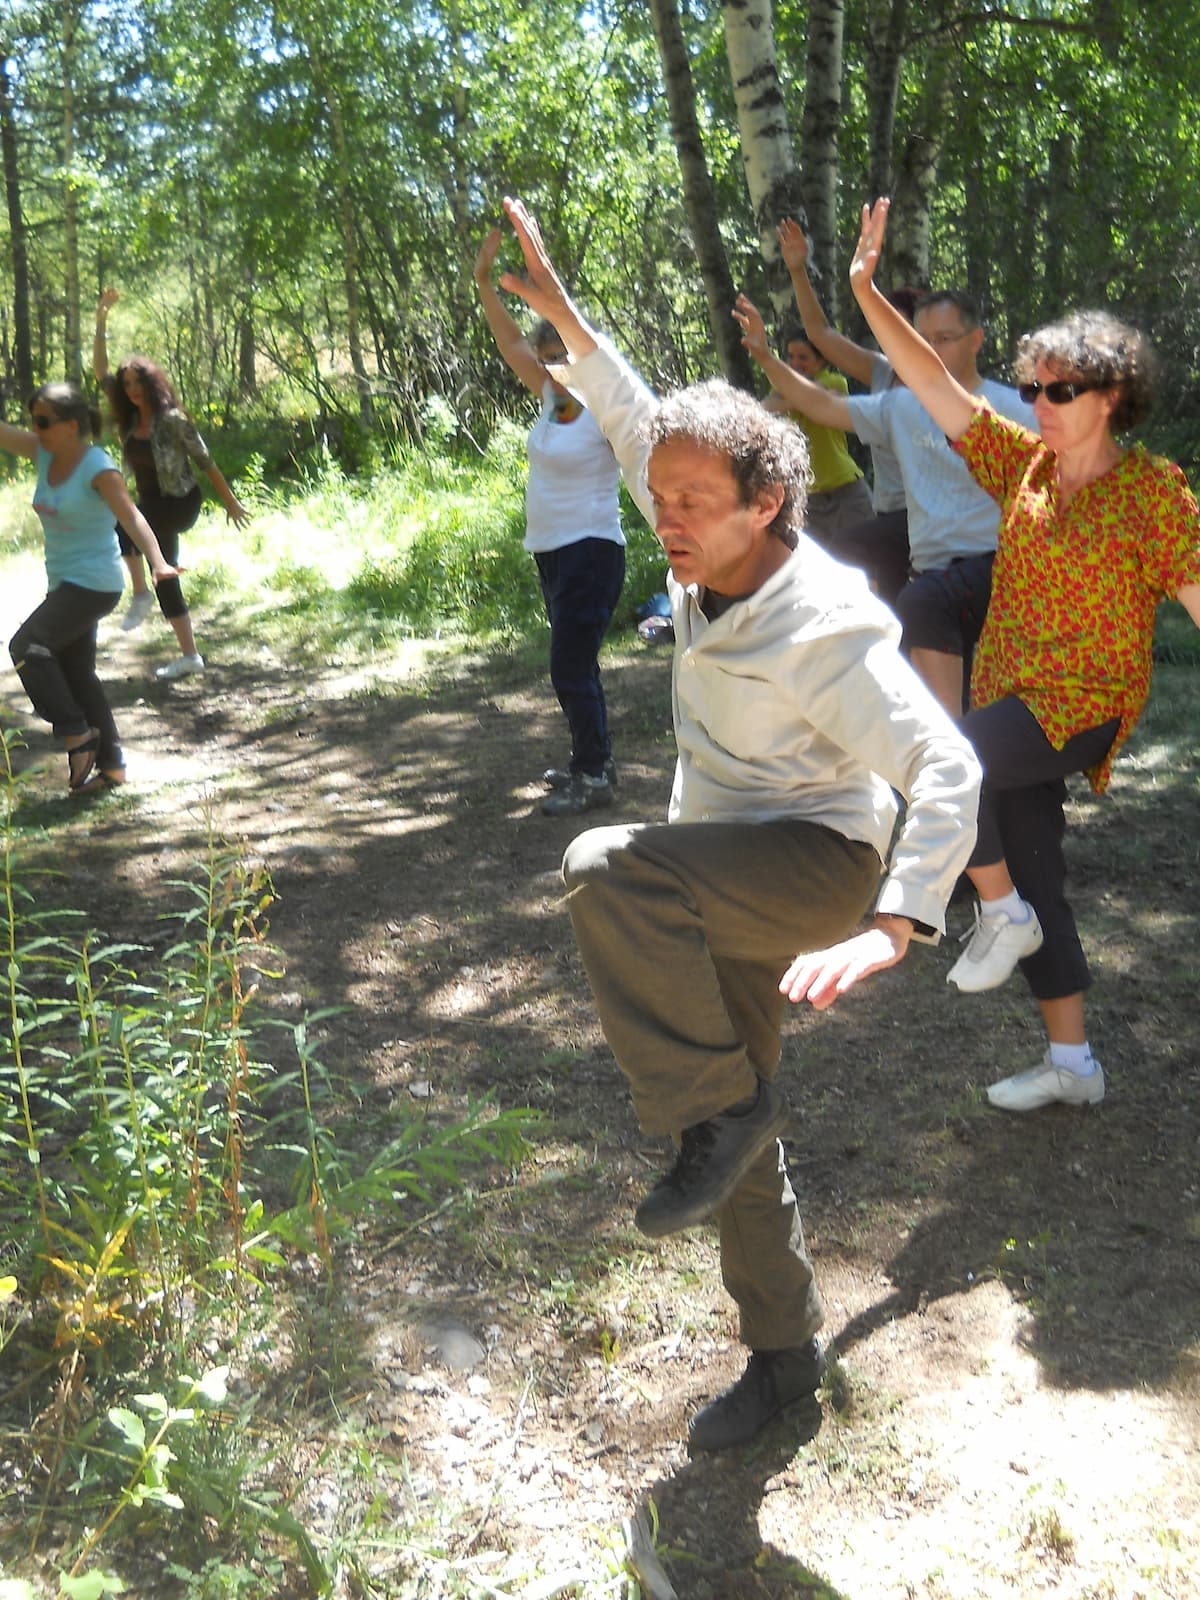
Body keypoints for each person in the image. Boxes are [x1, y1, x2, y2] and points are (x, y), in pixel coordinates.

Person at [496, 195, 982, 1449]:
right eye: (659, 499)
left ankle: (712, 1115)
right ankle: (784, 1356)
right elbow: (627, 412)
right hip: (713, 872)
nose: (667, 518)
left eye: (693, 503)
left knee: (600, 864)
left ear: (769, 503)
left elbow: (948, 766)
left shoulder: (826, 625)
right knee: (737, 1110)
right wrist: (559, 309)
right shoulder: (703, 519)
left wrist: (894, 924)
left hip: (816, 865)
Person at [847, 197, 1200, 1112]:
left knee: (947, 764)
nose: (1038, 404)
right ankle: (1072, 1063)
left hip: (1081, 703)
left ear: (1111, 396)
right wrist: (866, 294)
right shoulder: (1023, 467)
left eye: (1060, 391)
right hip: (1012, 694)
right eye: (1034, 389)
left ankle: (997, 913)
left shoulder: (1156, 495)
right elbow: (932, 384)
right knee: (1035, 862)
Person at [734, 284, 1034, 718]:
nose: (930, 350)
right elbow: (820, 405)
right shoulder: (900, 406)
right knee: (944, 691)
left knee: (941, 636)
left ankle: (954, 763)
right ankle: (944, 763)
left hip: (1001, 573)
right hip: (931, 575)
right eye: (920, 340)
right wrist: (765, 356)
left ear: (976, 341)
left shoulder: (1015, 409)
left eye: (944, 339)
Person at [473, 230, 626, 817]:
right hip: (553, 551)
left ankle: (593, 773)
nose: (551, 367)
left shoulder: (607, 410)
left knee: (567, 665)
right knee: (576, 664)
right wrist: (486, 283)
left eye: (561, 357)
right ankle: (593, 762)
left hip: (592, 549)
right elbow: (507, 337)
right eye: (546, 359)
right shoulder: (550, 400)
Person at [2, 383, 180, 793]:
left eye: (43, 421)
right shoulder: (45, 451)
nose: (35, 428)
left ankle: (76, 734)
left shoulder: (98, 468)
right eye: (33, 420)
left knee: (26, 646)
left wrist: (158, 562)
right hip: (64, 581)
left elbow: (131, 517)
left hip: (95, 583)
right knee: (78, 672)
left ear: (72, 425)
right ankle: (112, 765)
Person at [93, 289, 249, 680]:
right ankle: (189, 654)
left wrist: (230, 502)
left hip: (180, 502)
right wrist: (100, 322)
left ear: (150, 384)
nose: (131, 390)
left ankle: (139, 594)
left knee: (122, 522)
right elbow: (99, 371)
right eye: (126, 385)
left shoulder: (174, 419)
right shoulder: (130, 421)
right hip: (152, 507)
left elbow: (205, 461)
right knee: (166, 573)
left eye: (137, 384)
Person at [776, 217, 918, 603]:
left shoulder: (945, 387)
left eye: (904, 327)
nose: (895, 337)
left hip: (933, 525)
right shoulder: (881, 372)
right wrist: (797, 270)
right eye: (888, 327)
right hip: (891, 520)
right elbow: (821, 335)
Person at [763, 324, 874, 543]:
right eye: (791, 357)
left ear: (822, 360)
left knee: (869, 553)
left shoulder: (834, 381)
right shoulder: (784, 388)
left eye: (803, 357)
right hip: (808, 497)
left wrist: (787, 399)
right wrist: (792, 399)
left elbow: (819, 397)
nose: (795, 364)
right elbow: (766, 406)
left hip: (846, 490)